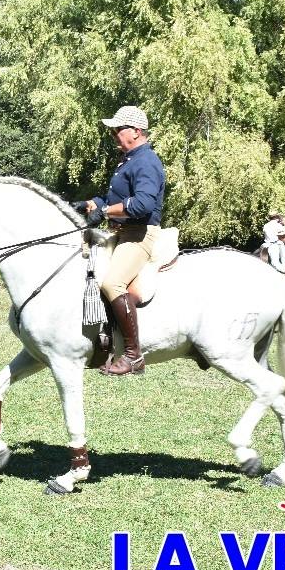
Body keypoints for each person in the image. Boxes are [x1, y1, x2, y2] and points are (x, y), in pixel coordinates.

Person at [71, 105, 166, 376]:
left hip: (140, 234)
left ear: (136, 132)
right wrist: (90, 204)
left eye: (118, 129)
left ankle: (134, 356)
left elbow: (142, 204)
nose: (113, 134)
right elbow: (112, 200)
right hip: (121, 233)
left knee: (112, 282)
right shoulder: (127, 160)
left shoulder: (146, 161)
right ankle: (103, 341)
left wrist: (105, 212)